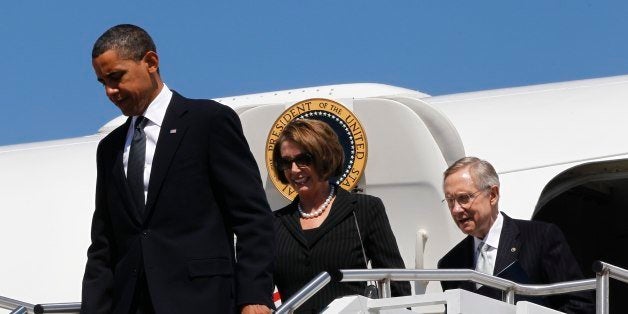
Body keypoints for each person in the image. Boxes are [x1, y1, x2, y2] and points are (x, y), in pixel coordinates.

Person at [81, 24, 275, 314]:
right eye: (102, 83)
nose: (110, 91)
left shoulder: (208, 122)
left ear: (150, 62)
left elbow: (252, 218)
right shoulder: (109, 148)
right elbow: (104, 245)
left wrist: (254, 296)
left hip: (201, 300)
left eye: (116, 77)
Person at [272, 118, 410, 312]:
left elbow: (396, 283)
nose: (294, 170)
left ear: (324, 157)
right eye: (286, 162)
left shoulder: (364, 209)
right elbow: (258, 291)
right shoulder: (273, 224)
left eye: (303, 159)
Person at [437, 157, 594, 313]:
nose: (456, 209)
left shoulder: (540, 238)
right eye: (450, 201)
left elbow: (581, 306)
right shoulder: (450, 264)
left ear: (492, 195)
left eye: (464, 198)